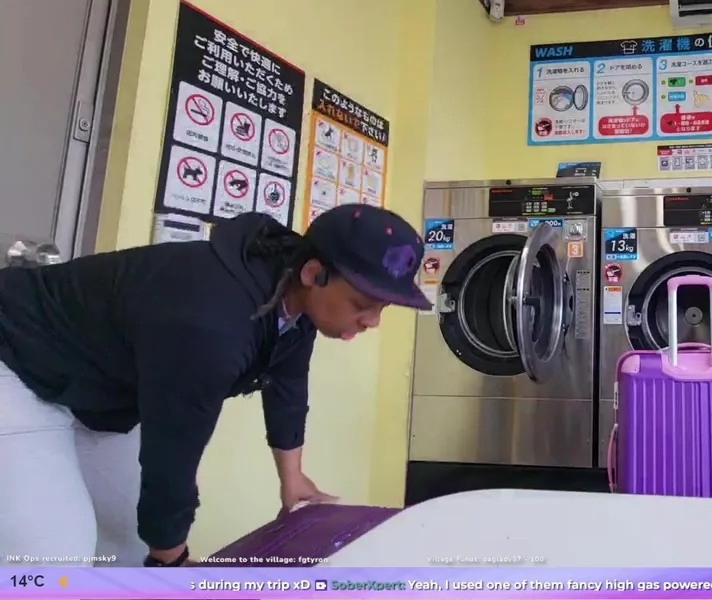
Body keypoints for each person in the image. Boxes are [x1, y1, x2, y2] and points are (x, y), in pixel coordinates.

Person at [0, 204, 428, 567]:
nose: (373, 321)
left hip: (89, 392)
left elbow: (288, 384)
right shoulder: (214, 322)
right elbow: (173, 450)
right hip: (15, 355)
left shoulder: (288, 299)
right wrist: (172, 562)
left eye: (382, 308)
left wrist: (292, 479)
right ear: (314, 273)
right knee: (53, 553)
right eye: (362, 304)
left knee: (129, 531)